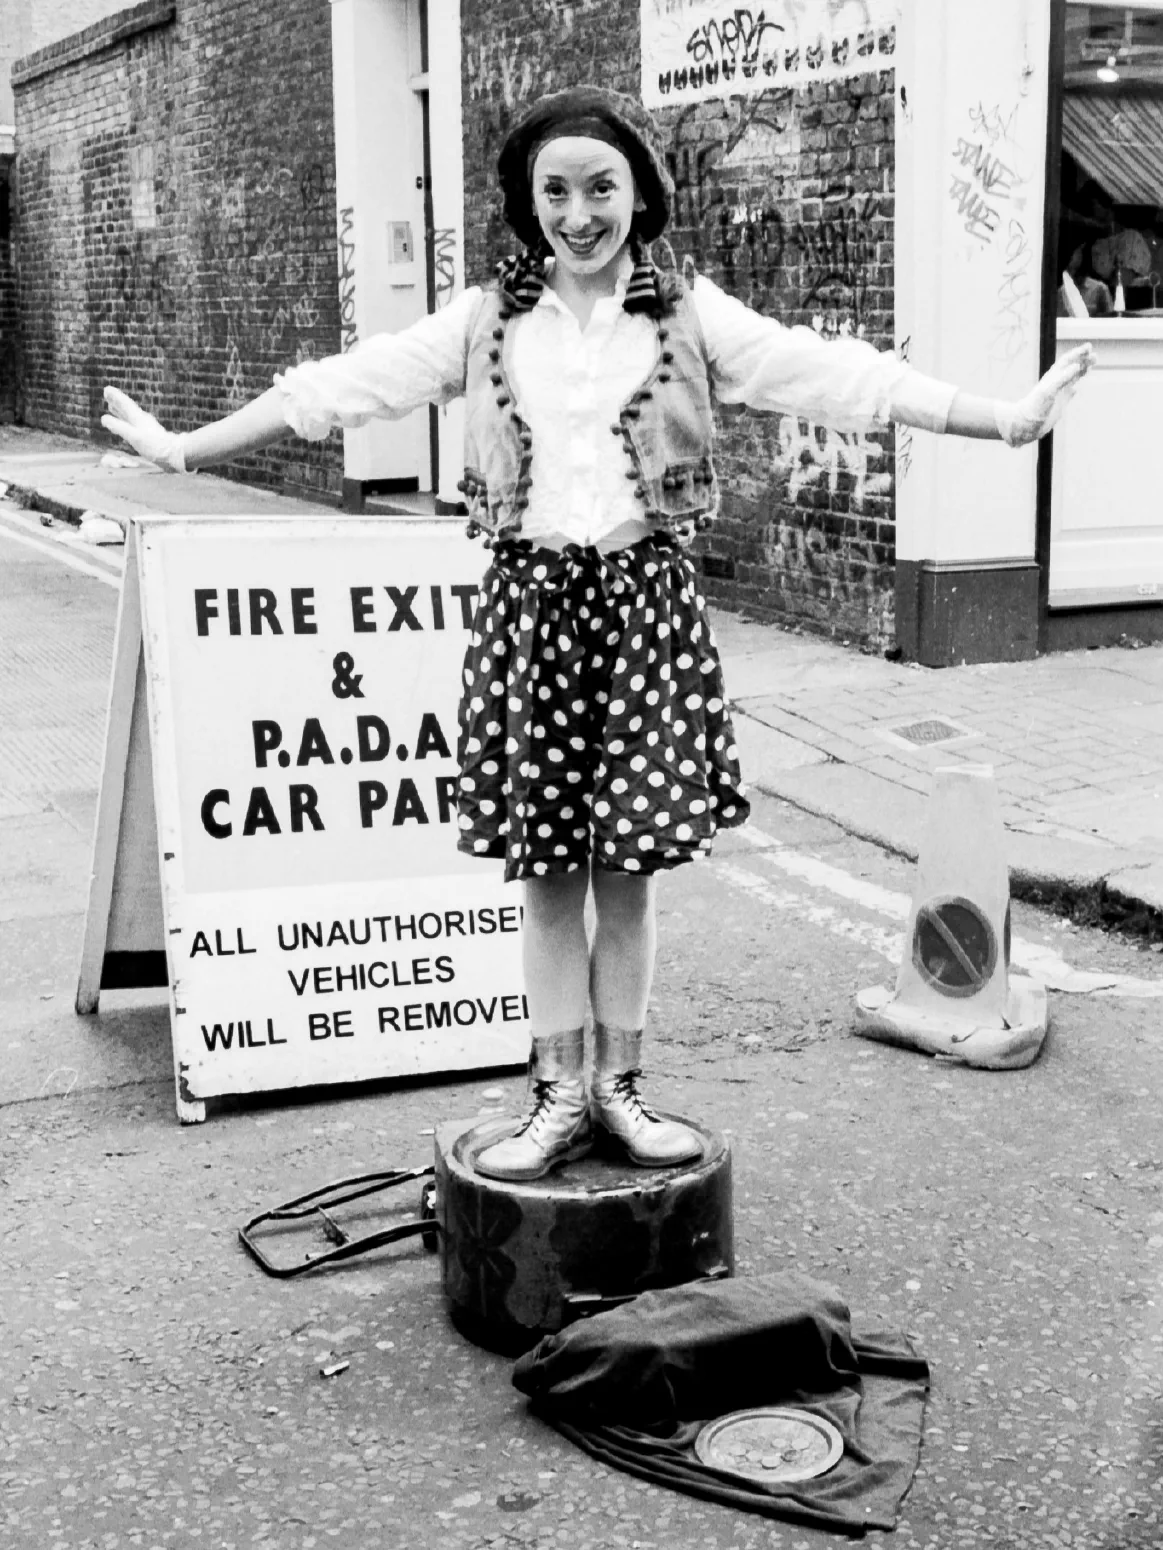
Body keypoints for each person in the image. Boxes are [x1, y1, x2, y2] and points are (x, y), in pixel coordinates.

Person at [103, 85, 1092, 1184]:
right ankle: (554, 1093)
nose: (580, 213)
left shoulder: (689, 314)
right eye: (556, 191)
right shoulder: (484, 321)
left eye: (601, 187)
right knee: (544, 879)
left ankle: (618, 1087)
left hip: (642, 614)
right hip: (530, 616)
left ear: (638, 193)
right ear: (530, 205)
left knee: (626, 876)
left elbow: (840, 375)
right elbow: (341, 388)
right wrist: (189, 449)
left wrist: (1000, 418)